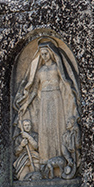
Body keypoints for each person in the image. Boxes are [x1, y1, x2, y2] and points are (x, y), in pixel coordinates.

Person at [14, 38, 80, 166]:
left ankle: (60, 157)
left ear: (51, 53)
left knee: (57, 127)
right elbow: (33, 90)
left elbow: (65, 82)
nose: (44, 56)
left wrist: (71, 98)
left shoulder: (56, 67)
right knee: (45, 128)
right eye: (42, 54)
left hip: (56, 98)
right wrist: (26, 104)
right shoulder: (40, 71)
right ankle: (45, 159)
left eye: (46, 53)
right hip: (44, 99)